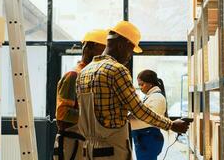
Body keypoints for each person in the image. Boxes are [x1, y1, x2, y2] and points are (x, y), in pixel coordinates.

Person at [76, 21, 190, 160]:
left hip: (87, 150)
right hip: (112, 150)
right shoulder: (116, 70)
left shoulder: (84, 72)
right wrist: (171, 124)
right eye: (130, 50)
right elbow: (138, 109)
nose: (130, 55)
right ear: (121, 44)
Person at [53, 29, 108, 160]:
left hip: (84, 142)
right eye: (103, 50)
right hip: (71, 143)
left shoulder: (90, 75)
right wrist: (94, 116)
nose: (106, 56)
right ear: (89, 48)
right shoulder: (73, 75)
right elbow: (62, 113)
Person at [131, 70, 168, 160]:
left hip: (148, 138)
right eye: (139, 85)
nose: (140, 87)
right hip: (143, 138)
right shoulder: (150, 96)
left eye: (142, 84)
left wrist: (131, 117)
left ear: (150, 84)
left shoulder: (157, 97)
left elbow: (150, 119)